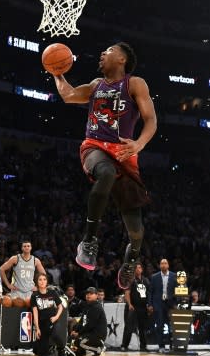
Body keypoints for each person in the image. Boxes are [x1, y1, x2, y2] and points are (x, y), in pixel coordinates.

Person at [50, 42, 158, 290]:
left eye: (108, 50)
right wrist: (57, 73)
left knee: (137, 231)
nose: (102, 53)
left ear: (122, 59)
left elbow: (151, 119)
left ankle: (131, 260)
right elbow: (68, 95)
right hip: (95, 146)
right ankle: (88, 242)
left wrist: (139, 144)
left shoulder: (134, 83)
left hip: (124, 153)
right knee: (106, 173)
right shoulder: (96, 85)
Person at [30, 273, 65, 356]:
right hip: (43, 323)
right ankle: (46, 350)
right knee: (41, 353)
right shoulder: (34, 296)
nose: (42, 282)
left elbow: (60, 307)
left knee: (55, 334)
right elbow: (35, 313)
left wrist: (56, 317)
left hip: (53, 320)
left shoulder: (52, 292)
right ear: (37, 282)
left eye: (44, 279)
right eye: (40, 280)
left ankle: (61, 349)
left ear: (47, 282)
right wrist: (37, 328)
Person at [120, 263, 150, 352]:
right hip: (132, 307)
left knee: (142, 328)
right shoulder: (130, 280)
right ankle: (124, 345)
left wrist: (148, 305)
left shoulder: (146, 280)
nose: (138, 269)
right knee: (129, 327)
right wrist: (129, 304)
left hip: (143, 307)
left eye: (140, 267)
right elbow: (127, 293)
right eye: (136, 268)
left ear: (142, 269)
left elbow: (149, 293)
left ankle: (143, 346)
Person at [70, 287, 107, 356]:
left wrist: (79, 333)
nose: (88, 295)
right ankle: (82, 352)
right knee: (73, 341)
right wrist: (75, 330)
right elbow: (82, 322)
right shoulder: (87, 306)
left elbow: (90, 325)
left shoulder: (97, 307)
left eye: (91, 293)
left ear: (96, 295)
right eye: (87, 293)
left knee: (79, 341)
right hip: (89, 334)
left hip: (97, 336)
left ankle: (98, 349)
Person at [150, 258, 175, 352]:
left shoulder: (174, 276)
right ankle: (161, 346)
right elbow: (151, 292)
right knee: (159, 326)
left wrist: (175, 303)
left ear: (168, 265)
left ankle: (172, 346)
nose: (163, 265)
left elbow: (177, 291)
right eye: (162, 263)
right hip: (158, 304)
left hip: (170, 305)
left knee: (171, 326)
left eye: (165, 263)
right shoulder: (154, 277)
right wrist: (150, 304)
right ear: (160, 266)